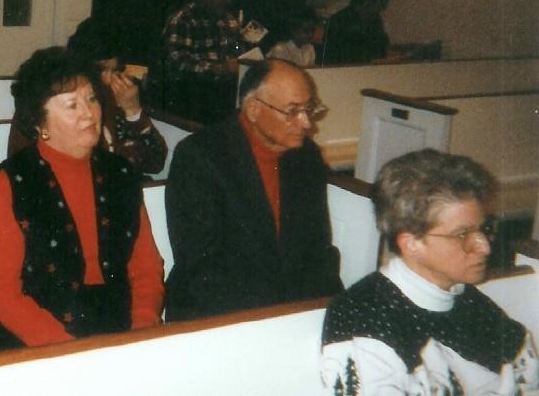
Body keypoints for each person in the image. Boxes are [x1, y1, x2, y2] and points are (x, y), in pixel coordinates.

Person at [0, 47, 164, 348]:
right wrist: (68, 352)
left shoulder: (120, 174)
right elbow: (2, 297)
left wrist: (141, 332)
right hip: (39, 335)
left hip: (121, 327)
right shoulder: (10, 183)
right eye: (72, 105)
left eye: (91, 99)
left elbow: (146, 267)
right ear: (40, 122)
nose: (89, 114)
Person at [321, 149, 539, 395]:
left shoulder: (468, 300)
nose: (484, 246)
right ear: (411, 243)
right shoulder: (363, 317)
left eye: (484, 228)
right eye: (462, 234)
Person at [164, 59, 342, 321]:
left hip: (289, 311)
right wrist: (272, 318)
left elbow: (319, 250)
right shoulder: (201, 156)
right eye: (292, 111)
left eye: (309, 109)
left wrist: (325, 312)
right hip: (216, 314)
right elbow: (201, 265)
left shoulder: (306, 157)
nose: (306, 123)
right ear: (253, 109)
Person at [7, 17, 168, 175]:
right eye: (101, 70)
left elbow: (154, 163)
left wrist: (133, 113)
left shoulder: (116, 99)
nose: (108, 79)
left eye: (115, 70)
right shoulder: (45, 102)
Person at [161, 0, 242, 124]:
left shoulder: (230, 21)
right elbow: (176, 65)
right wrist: (221, 68)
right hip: (193, 99)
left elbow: (238, 51)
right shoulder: (183, 20)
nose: (229, 1)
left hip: (226, 97)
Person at [321, 0, 394, 65]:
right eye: (382, 3)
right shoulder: (339, 22)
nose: (384, 8)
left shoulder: (375, 22)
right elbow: (335, 61)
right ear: (368, 0)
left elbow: (381, 51)